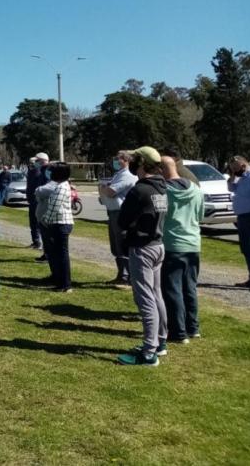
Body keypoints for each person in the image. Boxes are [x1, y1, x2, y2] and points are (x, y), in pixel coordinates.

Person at [116, 147, 168, 367]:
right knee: (156, 295)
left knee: (145, 298)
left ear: (142, 164)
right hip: (158, 245)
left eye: (135, 161)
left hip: (142, 248)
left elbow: (122, 220)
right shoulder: (161, 188)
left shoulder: (140, 190)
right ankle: (160, 341)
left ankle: (148, 352)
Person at [160, 156, 204, 343]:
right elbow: (200, 215)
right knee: (190, 288)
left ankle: (178, 332)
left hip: (172, 244)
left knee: (172, 289)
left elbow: (159, 216)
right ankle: (192, 328)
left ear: (161, 170)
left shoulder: (164, 191)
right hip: (193, 244)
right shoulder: (195, 189)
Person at [98, 151, 138, 286]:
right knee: (115, 246)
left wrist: (103, 188)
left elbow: (110, 192)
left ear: (126, 160)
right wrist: (105, 189)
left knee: (121, 244)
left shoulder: (127, 176)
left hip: (121, 213)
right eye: (114, 158)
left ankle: (127, 276)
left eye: (118, 159)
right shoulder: (117, 175)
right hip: (112, 212)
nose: (115, 161)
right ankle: (121, 274)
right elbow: (106, 193)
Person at [40, 162, 74, 292]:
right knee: (58, 254)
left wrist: (45, 219)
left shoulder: (62, 187)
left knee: (62, 255)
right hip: (57, 223)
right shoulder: (60, 185)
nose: (51, 173)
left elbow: (55, 206)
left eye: (53, 171)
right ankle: (59, 280)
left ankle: (65, 284)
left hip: (61, 224)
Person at [228, 156, 250, 290]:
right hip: (243, 217)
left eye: (236, 168)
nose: (234, 171)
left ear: (243, 165)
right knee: (246, 249)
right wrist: (232, 175)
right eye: (232, 169)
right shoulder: (242, 176)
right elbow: (231, 188)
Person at [26, 153, 49, 252]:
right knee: (33, 222)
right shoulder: (33, 171)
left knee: (39, 224)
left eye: (35, 161)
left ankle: (42, 246)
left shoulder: (43, 172)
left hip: (39, 201)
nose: (33, 163)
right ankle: (36, 241)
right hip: (33, 200)